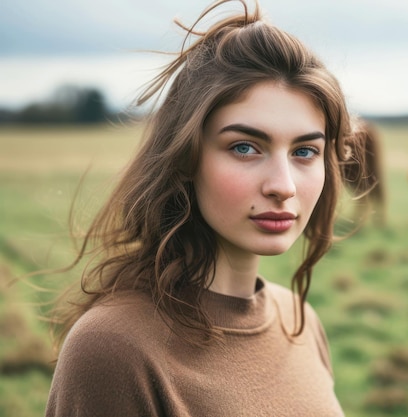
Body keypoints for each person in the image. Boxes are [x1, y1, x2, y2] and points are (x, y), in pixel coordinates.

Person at [45, 1, 368, 415]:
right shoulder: (114, 349)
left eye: (305, 151)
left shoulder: (300, 321)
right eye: (245, 147)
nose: (283, 186)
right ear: (185, 157)